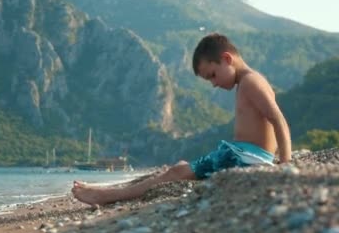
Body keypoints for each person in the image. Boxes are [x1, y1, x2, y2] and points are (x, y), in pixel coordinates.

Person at [72, 33, 292, 206]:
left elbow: (278, 119)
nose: (214, 83)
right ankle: (109, 191)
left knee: (176, 172)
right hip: (241, 156)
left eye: (212, 75)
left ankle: (106, 196)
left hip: (244, 158)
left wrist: (285, 164)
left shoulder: (251, 82)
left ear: (227, 59)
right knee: (178, 168)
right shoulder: (247, 82)